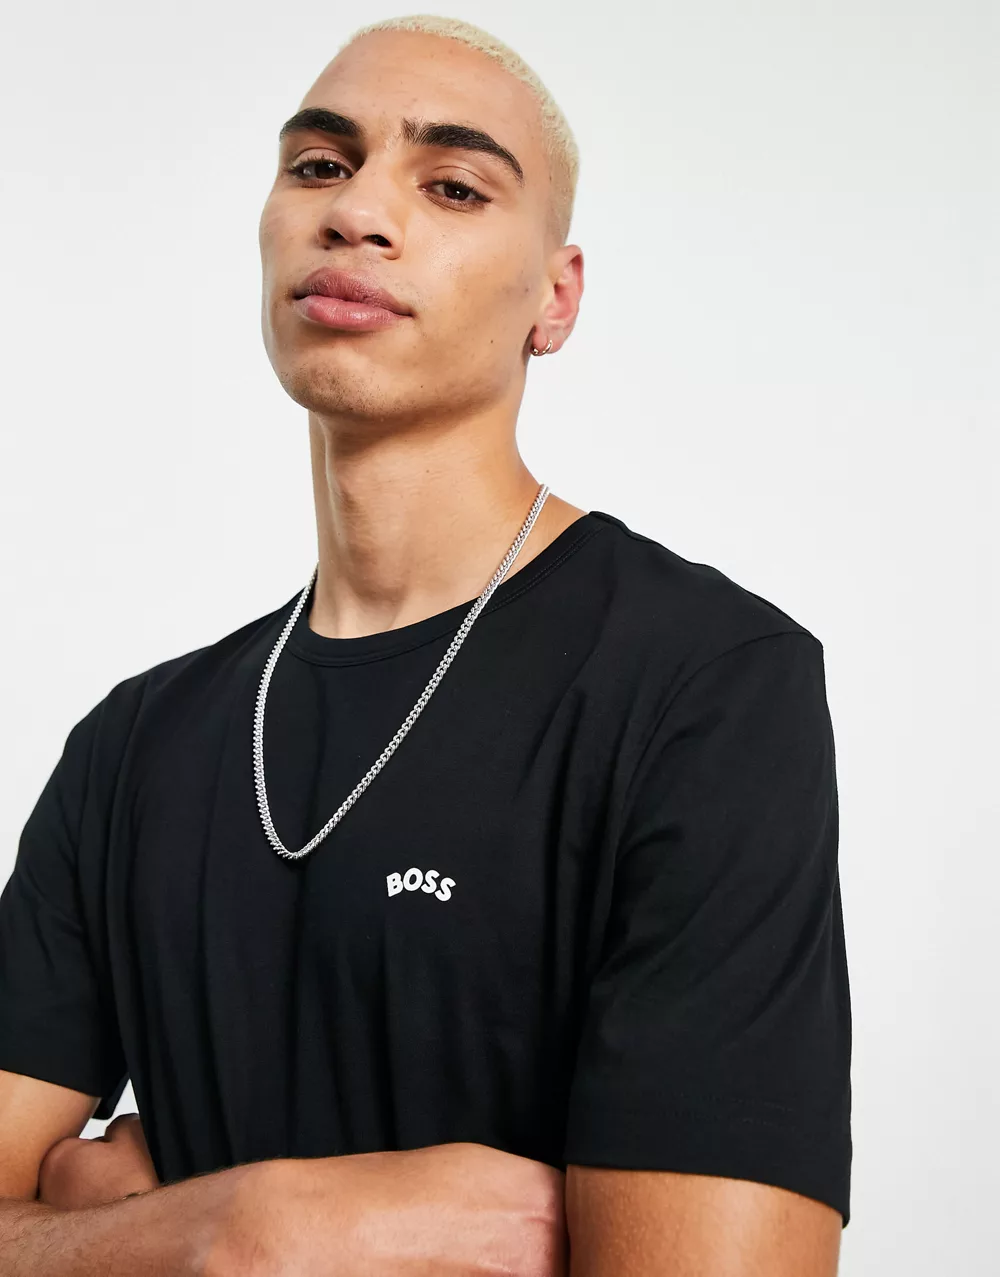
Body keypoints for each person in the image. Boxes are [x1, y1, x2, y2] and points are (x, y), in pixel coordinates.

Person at [0, 13, 851, 1275]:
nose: (357, 213)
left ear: (554, 297)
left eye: (451, 185)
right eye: (318, 165)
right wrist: (235, 1230)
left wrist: (79, 1233)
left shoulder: (705, 685)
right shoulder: (132, 743)